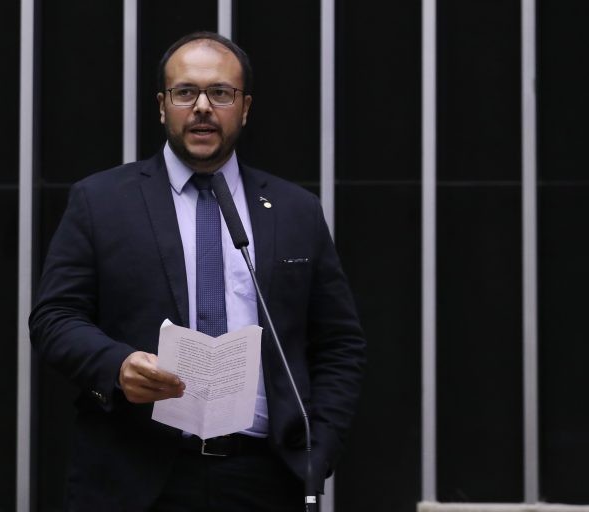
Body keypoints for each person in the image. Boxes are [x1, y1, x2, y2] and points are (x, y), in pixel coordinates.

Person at [29, 31, 366, 511]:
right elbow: (54, 318)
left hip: (263, 478)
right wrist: (117, 366)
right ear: (162, 107)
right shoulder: (100, 201)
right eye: (185, 92)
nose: (203, 106)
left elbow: (340, 343)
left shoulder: (295, 210)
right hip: (135, 475)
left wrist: (319, 449)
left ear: (245, 108)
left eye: (221, 93)